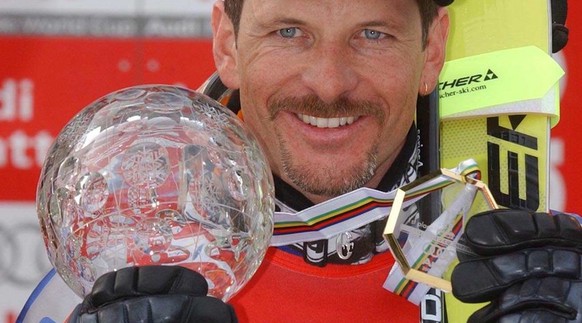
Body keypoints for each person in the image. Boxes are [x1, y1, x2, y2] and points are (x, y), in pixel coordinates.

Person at [22, 0, 581, 322]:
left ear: (432, 50)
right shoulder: (104, 296)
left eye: (372, 33)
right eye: (289, 32)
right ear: (228, 45)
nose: (329, 83)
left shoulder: (545, 275)